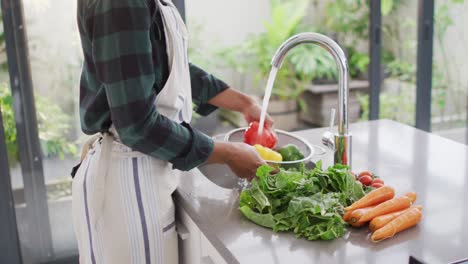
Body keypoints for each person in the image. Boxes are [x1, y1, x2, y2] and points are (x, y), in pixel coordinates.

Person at [72, 0, 274, 263]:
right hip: (128, 183)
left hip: (143, 171)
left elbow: (164, 65)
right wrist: (227, 153)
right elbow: (136, 125)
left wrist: (242, 102)